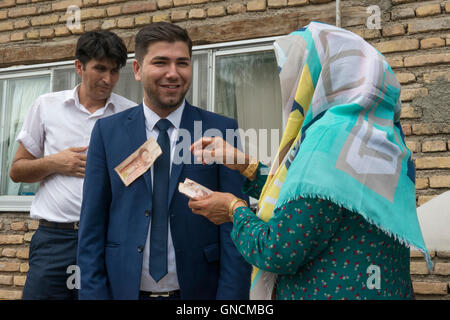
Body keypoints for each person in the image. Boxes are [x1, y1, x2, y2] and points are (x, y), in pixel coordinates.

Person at [188, 22, 432, 300]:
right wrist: (248, 166)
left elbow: (277, 250)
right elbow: (318, 201)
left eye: (299, 71)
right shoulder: (383, 136)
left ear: (322, 76)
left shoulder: (328, 136)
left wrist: (234, 210)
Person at [77, 22, 251, 300]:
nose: (173, 73)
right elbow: (92, 226)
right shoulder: (108, 133)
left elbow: (235, 227)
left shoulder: (220, 130)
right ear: (137, 70)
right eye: (161, 62)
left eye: (182, 63)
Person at [9, 31, 136, 300]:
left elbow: (139, 179)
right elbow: (17, 170)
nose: (108, 79)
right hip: (55, 240)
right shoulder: (46, 106)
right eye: (100, 69)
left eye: (114, 71)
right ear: (79, 66)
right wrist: (56, 162)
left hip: (108, 239)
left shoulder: (130, 114)